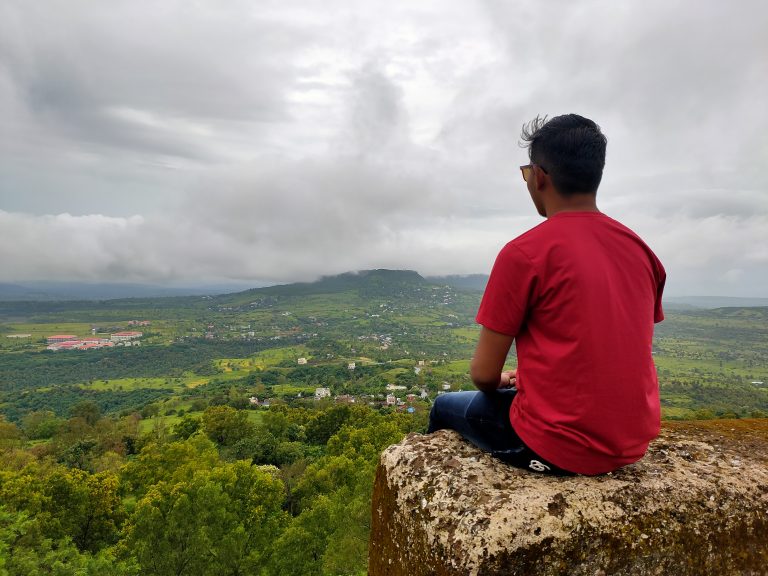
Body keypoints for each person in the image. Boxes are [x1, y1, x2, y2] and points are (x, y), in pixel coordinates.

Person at [428, 114, 666, 476]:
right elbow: (605, 342)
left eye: (527, 174)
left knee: (444, 406)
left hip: (556, 446)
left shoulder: (525, 253)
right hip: (632, 443)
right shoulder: (641, 250)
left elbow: (483, 374)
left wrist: (504, 380)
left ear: (538, 177)